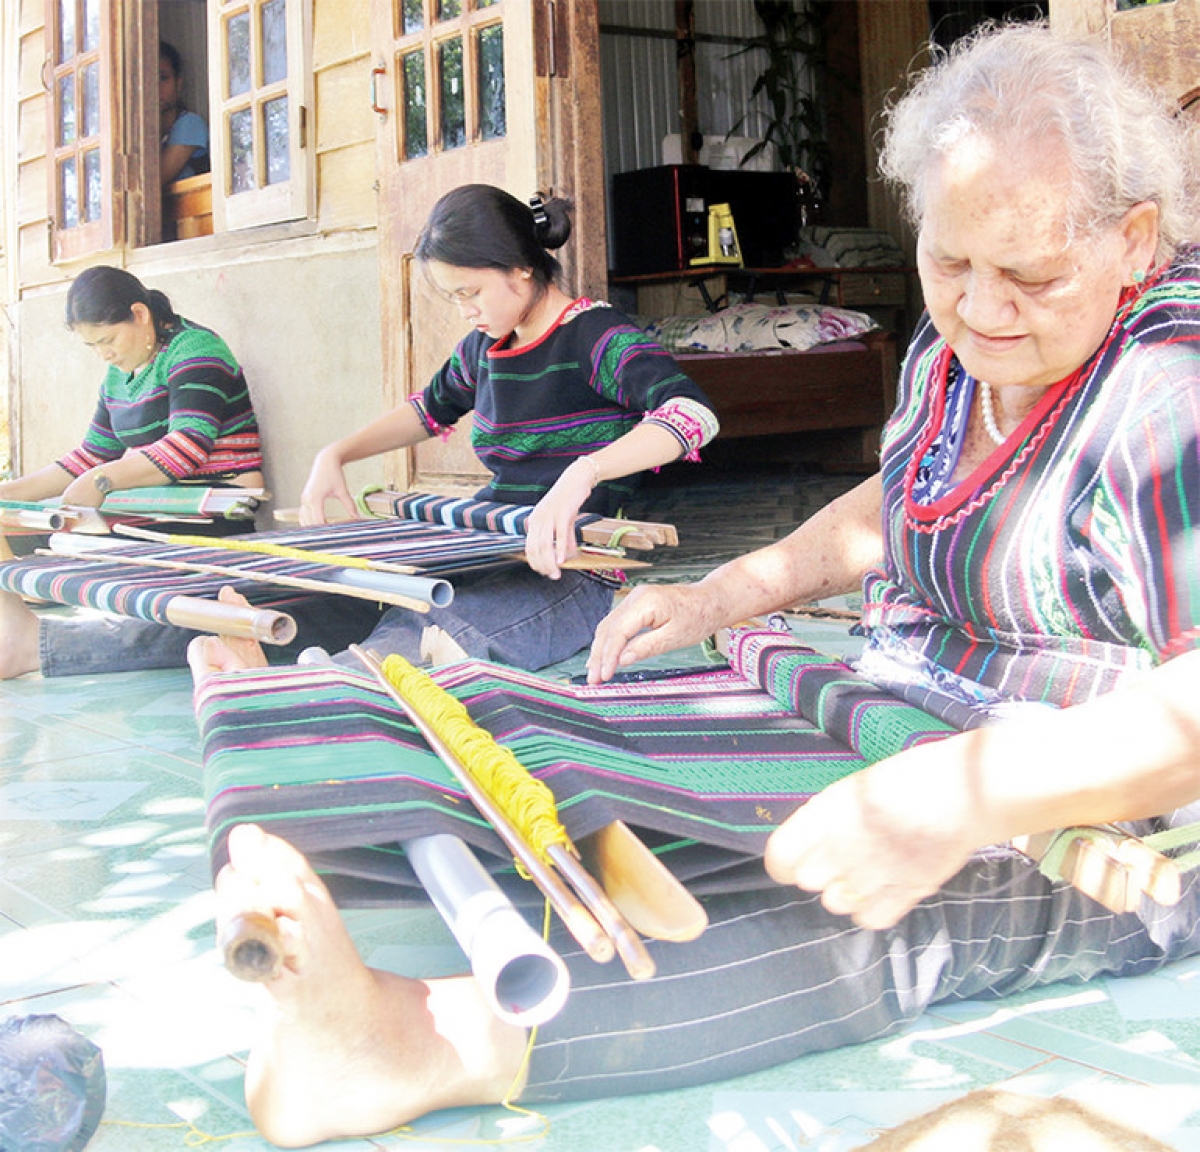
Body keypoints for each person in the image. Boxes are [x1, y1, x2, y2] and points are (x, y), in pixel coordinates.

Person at [210, 24, 1200, 1148]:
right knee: (574, 733)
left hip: (1102, 813)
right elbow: (901, 501)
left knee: (875, 909)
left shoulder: (1172, 392)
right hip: (902, 710)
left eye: (1032, 275)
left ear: (1135, 242)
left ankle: (425, 1039)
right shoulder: (959, 350)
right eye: (950, 263)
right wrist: (719, 598)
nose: (979, 309)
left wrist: (958, 796)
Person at [192, 183, 719, 678]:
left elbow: (692, 414)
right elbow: (429, 409)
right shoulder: (485, 348)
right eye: (454, 298)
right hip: (487, 546)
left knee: (441, 629)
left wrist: (584, 474)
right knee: (365, 596)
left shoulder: (596, 338)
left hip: (571, 573)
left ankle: (320, 684)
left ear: (521, 269)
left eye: (471, 292)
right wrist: (337, 453)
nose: (466, 311)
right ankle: (270, 653)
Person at [0, 265, 264, 679]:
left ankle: (30, 645)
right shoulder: (120, 373)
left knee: (74, 549)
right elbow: (90, 454)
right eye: (93, 346)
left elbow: (189, 446)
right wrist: (9, 494)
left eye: (107, 340)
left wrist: (104, 480)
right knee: (17, 526)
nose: (104, 354)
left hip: (212, 512)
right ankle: (13, 626)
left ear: (140, 314)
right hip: (157, 509)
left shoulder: (196, 350)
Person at [159, 41, 209, 186]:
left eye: (163, 78)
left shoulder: (190, 123)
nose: (155, 87)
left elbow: (155, 180)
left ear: (178, 84)